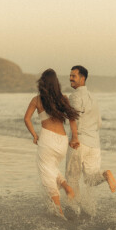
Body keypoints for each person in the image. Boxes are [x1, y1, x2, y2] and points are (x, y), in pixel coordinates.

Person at [24, 68, 80, 216]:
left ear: (42, 82)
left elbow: (26, 119)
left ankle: (59, 210)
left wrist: (34, 135)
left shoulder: (37, 99)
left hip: (47, 139)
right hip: (62, 141)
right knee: (52, 167)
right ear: (56, 83)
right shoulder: (63, 98)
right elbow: (72, 118)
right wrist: (74, 137)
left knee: (45, 171)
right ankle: (66, 187)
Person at [66, 65, 116, 202]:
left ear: (82, 78)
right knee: (90, 179)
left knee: (72, 178)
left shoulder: (75, 96)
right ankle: (105, 175)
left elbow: (73, 118)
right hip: (94, 143)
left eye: (74, 76)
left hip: (79, 142)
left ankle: (74, 207)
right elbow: (99, 123)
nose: (70, 78)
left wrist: (74, 138)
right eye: (70, 75)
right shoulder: (93, 98)